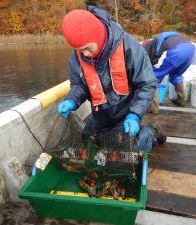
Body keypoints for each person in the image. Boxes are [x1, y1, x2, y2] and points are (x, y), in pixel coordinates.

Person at [57, 6, 166, 152]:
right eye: (80, 49)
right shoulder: (78, 56)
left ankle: (151, 131)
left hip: (126, 114)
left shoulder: (130, 47)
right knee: (86, 144)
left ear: (98, 36)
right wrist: (71, 100)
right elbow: (80, 85)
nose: (85, 54)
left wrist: (134, 114)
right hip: (99, 116)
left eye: (88, 48)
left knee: (125, 151)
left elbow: (147, 84)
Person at [142, 31, 195, 111]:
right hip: (190, 49)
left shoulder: (145, 47)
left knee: (152, 77)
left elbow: (149, 60)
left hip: (176, 51)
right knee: (176, 75)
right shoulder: (165, 38)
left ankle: (153, 108)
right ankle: (181, 101)